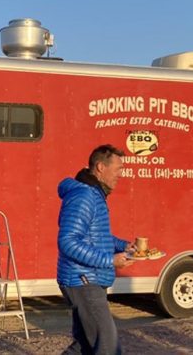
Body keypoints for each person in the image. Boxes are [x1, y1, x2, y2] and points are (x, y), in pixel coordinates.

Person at [57, 144, 136, 354]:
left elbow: (94, 236)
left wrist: (122, 246)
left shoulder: (94, 194)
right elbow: (68, 241)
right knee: (108, 346)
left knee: (84, 345)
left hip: (87, 278)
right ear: (100, 167)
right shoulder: (84, 196)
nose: (121, 174)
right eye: (118, 168)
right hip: (82, 279)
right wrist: (110, 260)